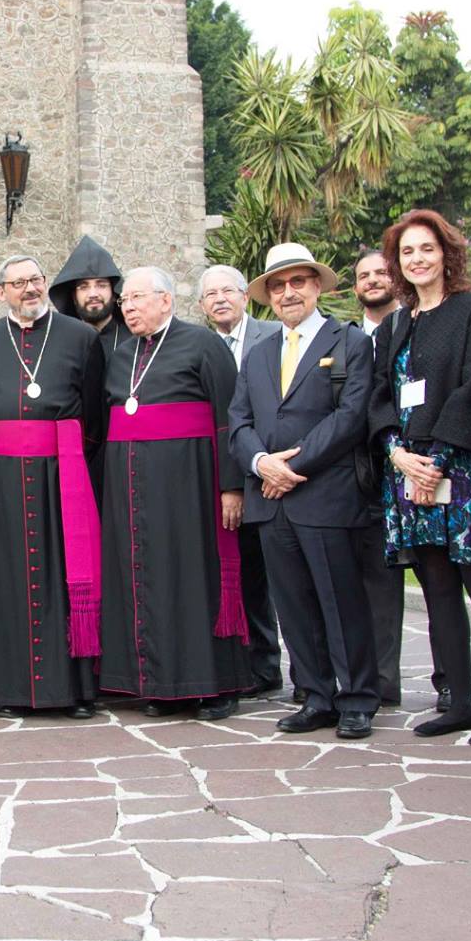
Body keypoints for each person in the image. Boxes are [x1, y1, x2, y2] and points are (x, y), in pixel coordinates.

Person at [368, 212, 471, 747]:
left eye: (426, 249)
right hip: (409, 472)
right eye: (407, 252)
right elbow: (381, 396)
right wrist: (396, 452)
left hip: (463, 469)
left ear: (446, 253)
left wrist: (436, 460)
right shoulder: (394, 325)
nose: (417, 259)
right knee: (436, 590)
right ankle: (458, 703)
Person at [229, 242, 378, 739]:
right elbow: (239, 421)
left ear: (316, 286)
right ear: (269, 296)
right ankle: (316, 695)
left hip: (326, 495)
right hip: (270, 502)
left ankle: (356, 698)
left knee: (340, 601)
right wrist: (261, 463)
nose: (288, 292)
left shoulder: (349, 342)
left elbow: (350, 416)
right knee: (292, 605)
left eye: (297, 282)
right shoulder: (258, 354)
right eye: (278, 285)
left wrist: (291, 465)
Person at [99, 267, 246, 718]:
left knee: (194, 579)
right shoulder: (122, 355)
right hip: (132, 491)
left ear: (165, 300)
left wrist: (231, 487)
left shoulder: (203, 344)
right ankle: (161, 685)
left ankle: (216, 686)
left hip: (191, 489)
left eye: (137, 298)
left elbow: (229, 418)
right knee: (145, 580)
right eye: (124, 301)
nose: (128, 307)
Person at [0, 255, 105, 718]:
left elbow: (94, 414)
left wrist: (70, 460)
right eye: (18, 282)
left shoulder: (81, 337)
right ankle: (11, 690)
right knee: (6, 581)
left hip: (63, 475)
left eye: (36, 279)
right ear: (0, 291)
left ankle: (75, 690)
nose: (29, 289)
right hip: (1, 479)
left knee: (66, 579)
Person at [200, 263, 284, 699]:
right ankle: (256, 666)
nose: (220, 300)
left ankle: (300, 671)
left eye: (227, 291)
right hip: (223, 476)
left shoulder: (274, 338)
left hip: (272, 470)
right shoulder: (201, 347)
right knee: (243, 574)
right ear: (202, 305)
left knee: (281, 578)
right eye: (210, 295)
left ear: (245, 297)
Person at [350, 250, 408, 709]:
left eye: (380, 273)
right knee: (375, 582)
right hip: (363, 475)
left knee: (436, 577)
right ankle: (380, 679)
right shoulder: (347, 339)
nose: (372, 280)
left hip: (417, 467)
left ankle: (449, 681)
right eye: (363, 275)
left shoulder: (416, 325)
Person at [50, 235, 122, 339]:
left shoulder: (136, 340)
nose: (93, 294)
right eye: (84, 287)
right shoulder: (60, 340)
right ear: (74, 297)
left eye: (101, 285)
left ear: (114, 294)